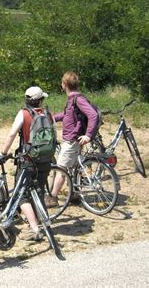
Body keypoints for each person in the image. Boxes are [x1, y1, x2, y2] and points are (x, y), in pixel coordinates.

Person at [0, 86, 54, 241]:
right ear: (41, 100)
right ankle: (41, 223)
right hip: (45, 159)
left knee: (21, 195)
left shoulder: (23, 114)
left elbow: (11, 134)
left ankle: (34, 228)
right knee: (39, 191)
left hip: (28, 160)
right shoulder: (48, 113)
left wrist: (4, 153)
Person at [48, 71, 99, 206]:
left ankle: (52, 198)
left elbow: (93, 115)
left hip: (72, 140)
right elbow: (67, 115)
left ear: (64, 84)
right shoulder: (73, 99)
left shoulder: (78, 99)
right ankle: (74, 194)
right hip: (73, 139)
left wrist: (88, 135)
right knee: (73, 168)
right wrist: (51, 118)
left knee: (61, 169)